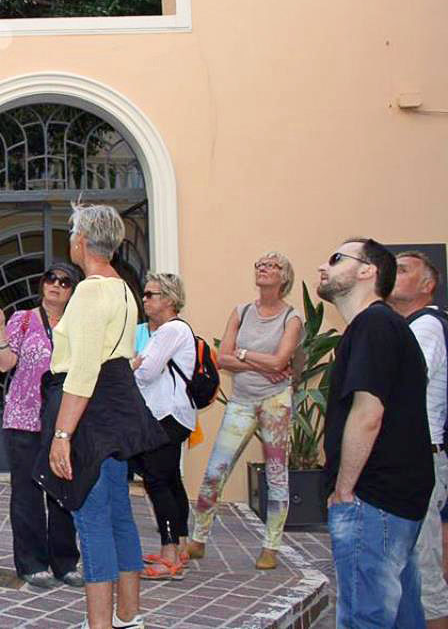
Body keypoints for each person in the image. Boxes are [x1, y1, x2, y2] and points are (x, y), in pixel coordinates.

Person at [45, 204, 167, 629]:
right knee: (118, 515)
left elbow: (83, 369)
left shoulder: (91, 291)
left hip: (90, 411)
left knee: (91, 517)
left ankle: (101, 625)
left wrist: (63, 434)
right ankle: (130, 617)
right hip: (118, 404)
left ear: (81, 240)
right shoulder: (122, 287)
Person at [318, 238, 434, 628]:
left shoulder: (373, 324)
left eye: (336, 259)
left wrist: (345, 491)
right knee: (400, 616)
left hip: (373, 498)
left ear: (368, 271)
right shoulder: (383, 325)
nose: (324, 267)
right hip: (393, 498)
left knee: (364, 618)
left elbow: (368, 413)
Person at [187, 252, 302, 570]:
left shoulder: (291, 318)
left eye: (272, 266)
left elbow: (281, 362)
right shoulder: (241, 311)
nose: (263, 269)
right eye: (260, 265)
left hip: (275, 403)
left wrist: (246, 354)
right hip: (241, 401)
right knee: (215, 471)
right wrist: (263, 362)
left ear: (284, 277)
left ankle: (271, 546)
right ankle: (198, 539)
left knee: (277, 475)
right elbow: (222, 357)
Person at [0, 262, 84, 589]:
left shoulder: (79, 325)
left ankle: (65, 561)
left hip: (65, 420)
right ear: (42, 283)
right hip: (24, 418)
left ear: (72, 291)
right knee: (27, 493)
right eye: (51, 278)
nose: (56, 285)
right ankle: (32, 562)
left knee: (63, 492)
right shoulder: (22, 320)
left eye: (65, 282)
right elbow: (5, 364)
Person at [389, 250, 448, 629]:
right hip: (418, 456)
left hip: (419, 457)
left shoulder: (425, 326)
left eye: (404, 270)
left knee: (424, 570)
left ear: (427, 285)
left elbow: (404, 382)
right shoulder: (411, 326)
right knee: (413, 565)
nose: (393, 274)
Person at [130, 273, 197, 580]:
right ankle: (180, 546)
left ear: (169, 300)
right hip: (175, 415)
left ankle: (170, 554)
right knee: (170, 479)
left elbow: (146, 372)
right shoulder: (172, 331)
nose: (145, 299)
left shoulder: (171, 330)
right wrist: (139, 362)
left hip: (166, 415)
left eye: (151, 294)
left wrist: (134, 363)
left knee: (157, 481)